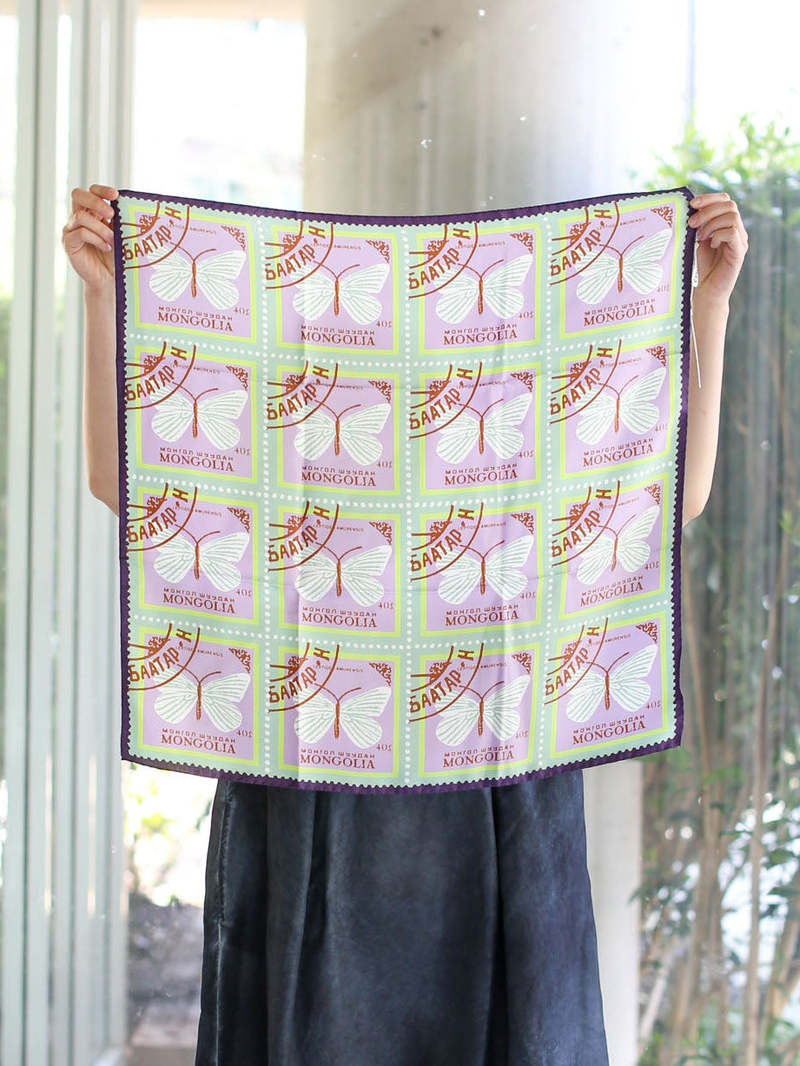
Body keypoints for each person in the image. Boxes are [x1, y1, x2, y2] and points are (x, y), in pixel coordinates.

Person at [63, 182, 748, 1066]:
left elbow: (665, 495)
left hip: (498, 782)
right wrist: (105, 297)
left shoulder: (516, 445)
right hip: (313, 784)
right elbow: (125, 480)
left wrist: (707, 306)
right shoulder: (291, 449)